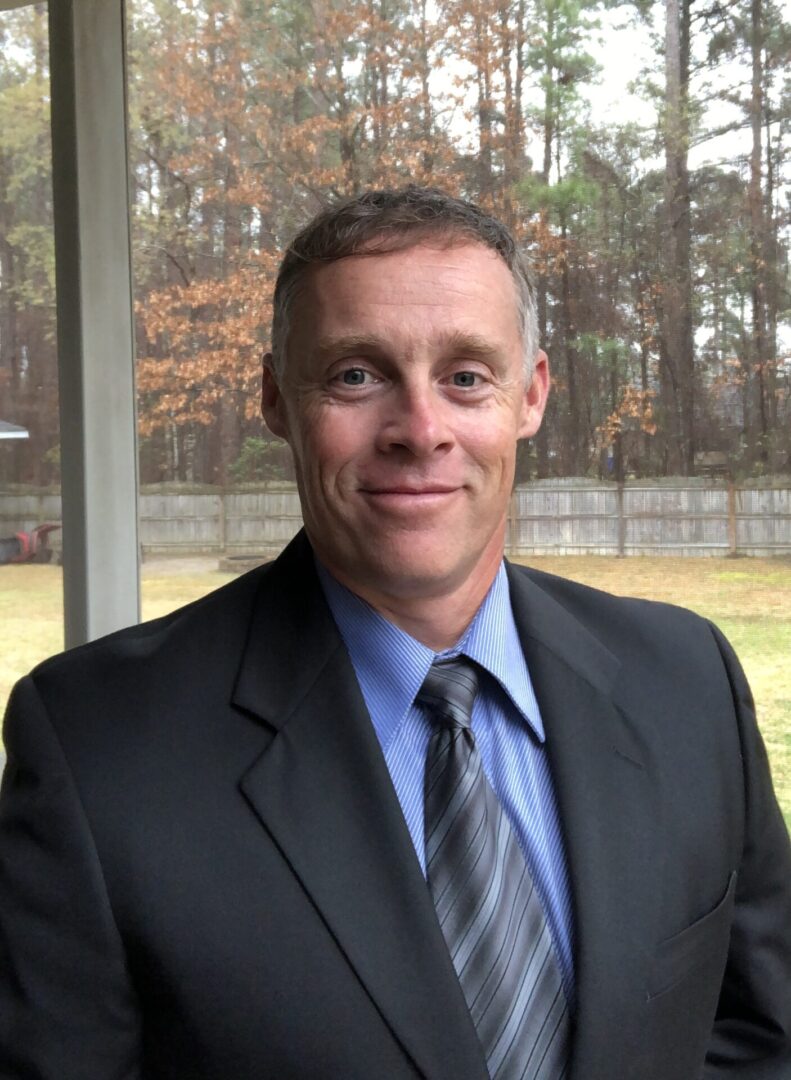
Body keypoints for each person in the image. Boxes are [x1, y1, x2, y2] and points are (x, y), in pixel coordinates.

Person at [1, 186, 789, 1080]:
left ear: (528, 396)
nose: (419, 430)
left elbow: (756, 1039)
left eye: (464, 376)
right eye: (355, 375)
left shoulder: (686, 681)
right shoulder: (96, 745)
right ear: (274, 399)